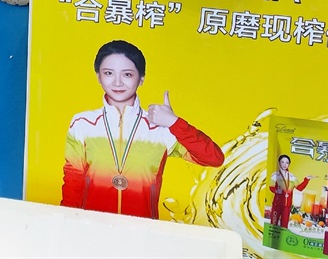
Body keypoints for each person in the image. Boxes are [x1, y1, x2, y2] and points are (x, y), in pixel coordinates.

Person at [61, 40, 224, 219]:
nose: (117, 82)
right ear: (98, 76)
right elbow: (73, 179)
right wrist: (66, 222)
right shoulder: (83, 123)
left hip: (144, 230)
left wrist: (174, 122)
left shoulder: (160, 127)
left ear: (141, 79)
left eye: (127, 74)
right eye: (108, 73)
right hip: (92, 227)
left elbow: (214, 158)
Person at [268, 154, 311, 228]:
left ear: (289, 164)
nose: (284, 164)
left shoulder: (292, 177)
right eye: (282, 162)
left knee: (284, 226)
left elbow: (299, 188)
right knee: (273, 223)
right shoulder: (275, 175)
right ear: (279, 162)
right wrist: (277, 191)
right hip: (277, 204)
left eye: (287, 163)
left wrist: (306, 180)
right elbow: (271, 187)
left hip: (287, 206)